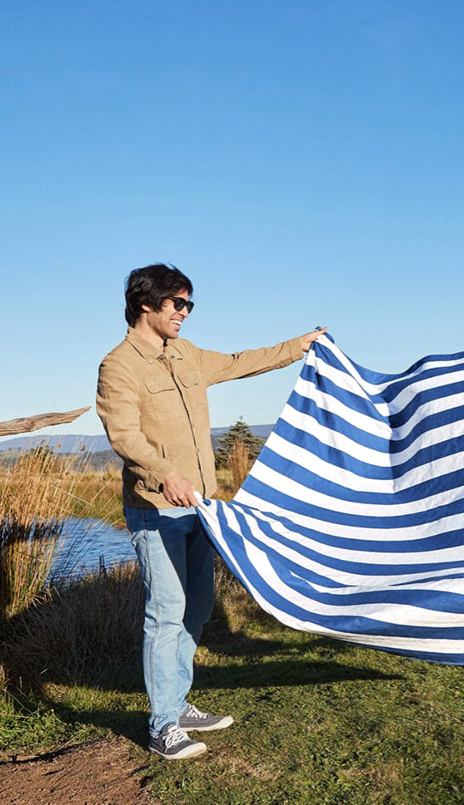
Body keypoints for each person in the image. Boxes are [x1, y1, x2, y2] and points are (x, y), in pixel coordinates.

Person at [96, 264, 325, 761]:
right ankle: (162, 727)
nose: (184, 313)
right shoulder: (118, 366)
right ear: (145, 305)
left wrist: (299, 345)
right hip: (155, 511)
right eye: (177, 304)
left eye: (188, 305)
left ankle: (176, 706)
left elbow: (244, 361)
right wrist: (164, 474)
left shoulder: (188, 354)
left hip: (202, 508)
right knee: (166, 615)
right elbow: (124, 436)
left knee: (197, 610)